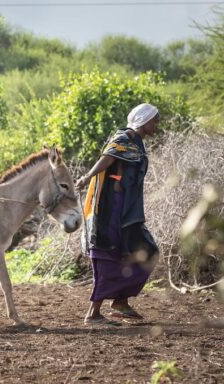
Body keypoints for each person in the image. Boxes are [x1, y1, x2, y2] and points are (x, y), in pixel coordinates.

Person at [75, 103, 160, 326]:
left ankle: (120, 302)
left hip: (128, 210)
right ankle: (93, 313)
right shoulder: (124, 138)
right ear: (143, 120)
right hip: (112, 208)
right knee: (108, 251)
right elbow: (107, 157)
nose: (157, 125)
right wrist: (86, 178)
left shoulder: (136, 143)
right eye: (154, 120)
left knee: (145, 251)